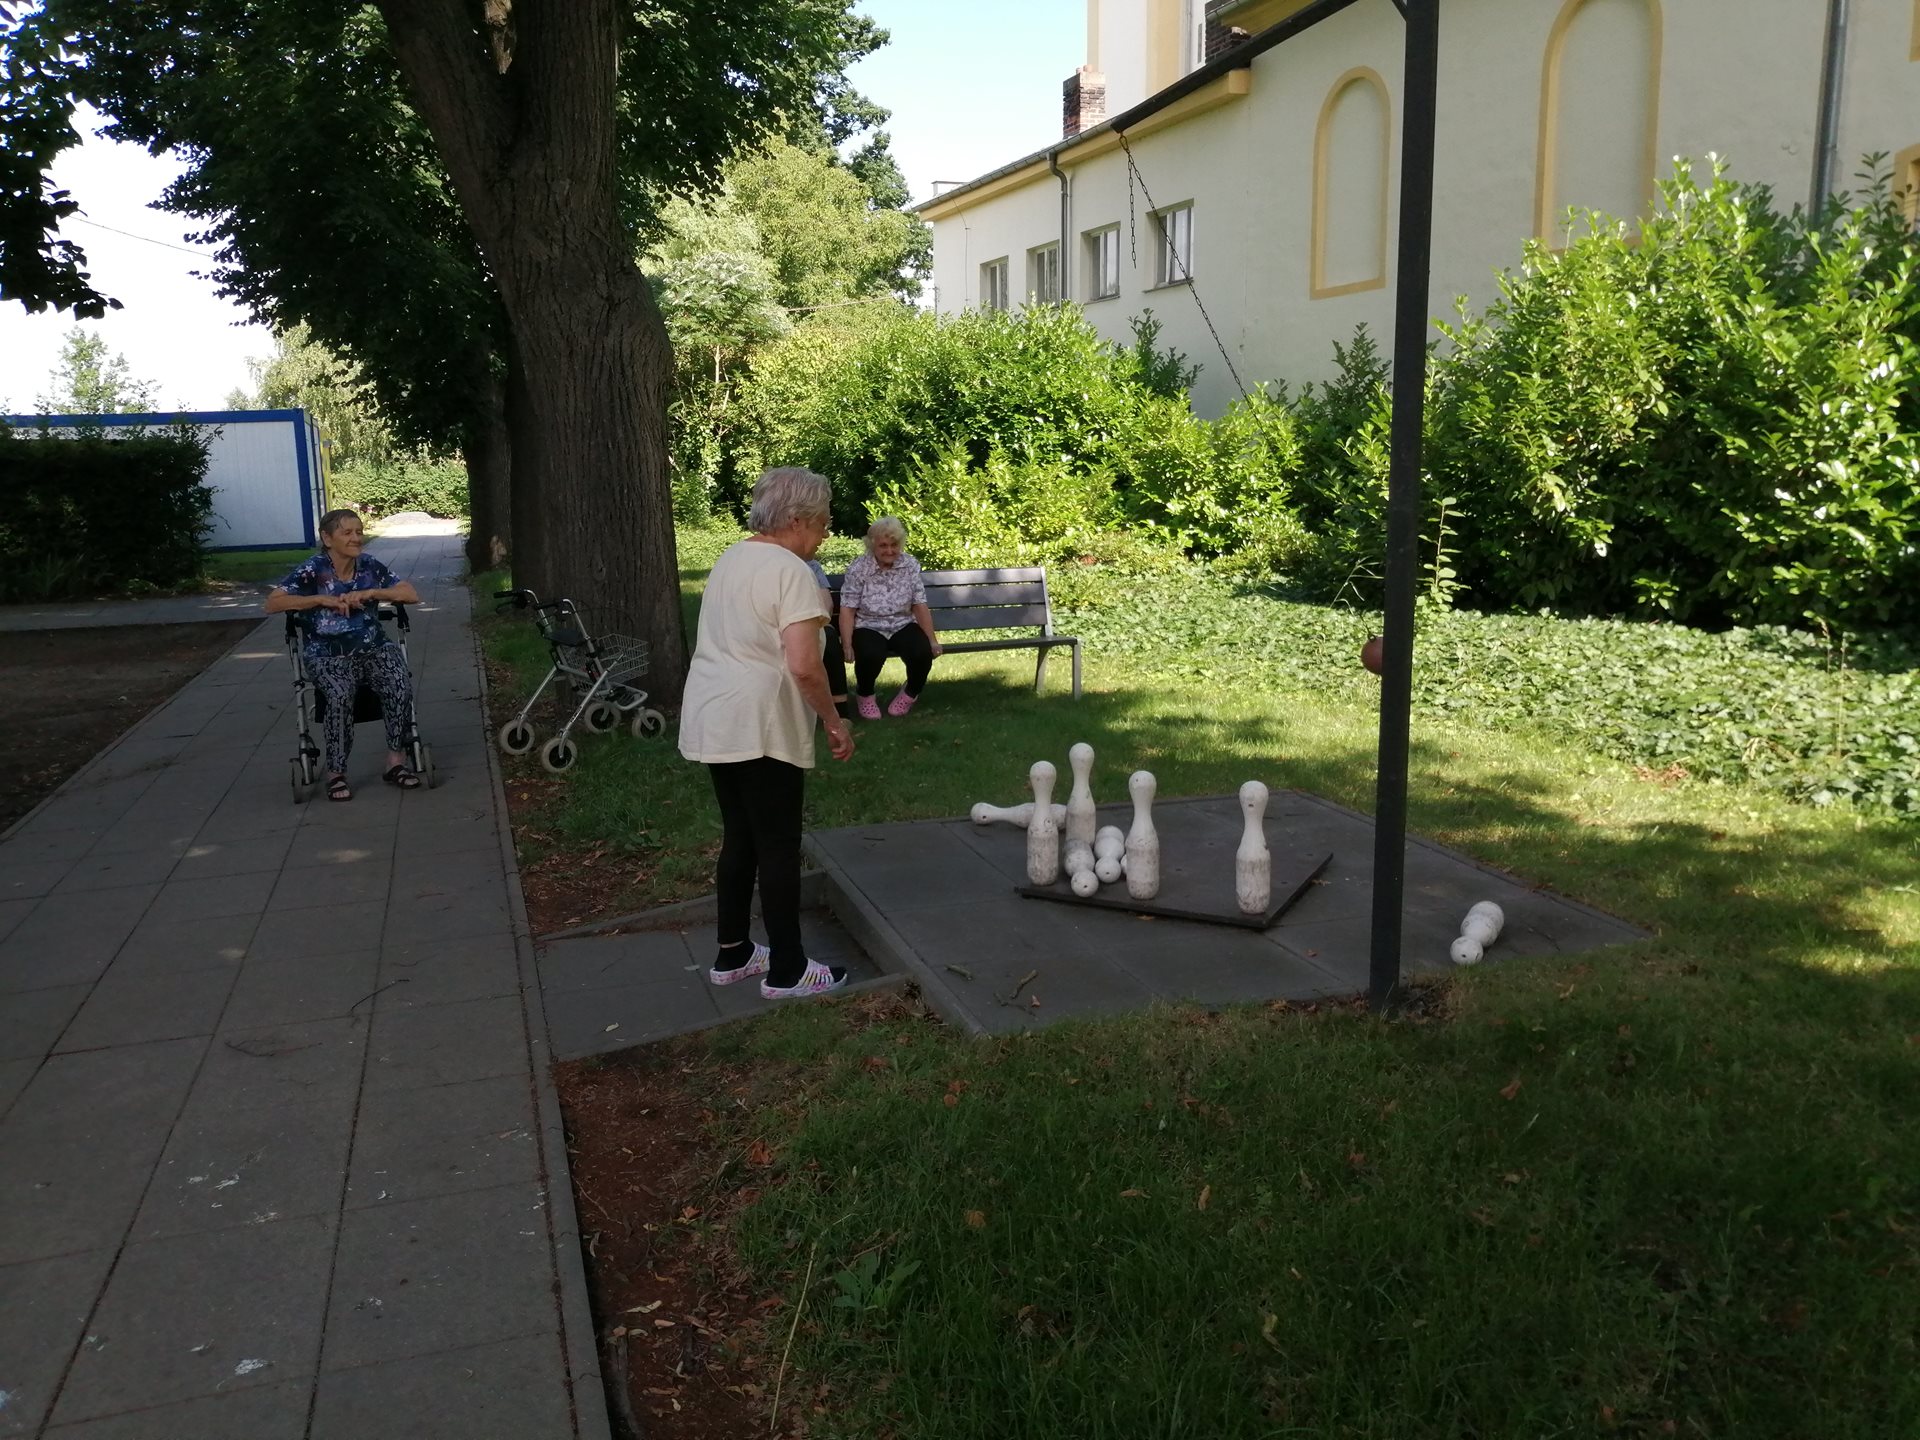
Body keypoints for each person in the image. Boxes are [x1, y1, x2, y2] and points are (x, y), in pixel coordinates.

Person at [679, 468, 857, 1000]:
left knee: (741, 836)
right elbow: (804, 665)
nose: (826, 532)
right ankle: (788, 970)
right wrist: (834, 722)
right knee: (778, 845)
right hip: (760, 722)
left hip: (715, 714)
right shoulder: (791, 571)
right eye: (822, 522)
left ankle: (733, 952)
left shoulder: (731, 558)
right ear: (797, 520)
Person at [264, 508, 423, 801]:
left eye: (359, 532)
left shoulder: (369, 566)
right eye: (347, 533)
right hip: (326, 654)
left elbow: (410, 594)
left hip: (373, 646)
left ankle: (395, 761)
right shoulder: (313, 570)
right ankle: (336, 772)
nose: (356, 538)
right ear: (327, 538)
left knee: (399, 684)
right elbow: (273, 603)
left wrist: (372, 593)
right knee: (339, 695)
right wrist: (318, 599)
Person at [839, 516, 943, 719]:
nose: (889, 550)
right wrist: (847, 645)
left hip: (902, 622)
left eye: (894, 545)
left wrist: (932, 640)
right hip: (869, 624)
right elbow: (847, 609)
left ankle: (910, 693)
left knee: (922, 653)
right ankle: (865, 694)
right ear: (872, 546)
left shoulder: (909, 564)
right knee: (870, 654)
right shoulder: (859, 568)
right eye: (883, 545)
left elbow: (919, 604)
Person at [806, 556, 853, 720]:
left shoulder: (812, 565)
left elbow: (827, 603)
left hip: (814, 622)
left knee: (829, 638)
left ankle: (841, 712)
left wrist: (814, 625)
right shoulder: (770, 563)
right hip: (782, 627)